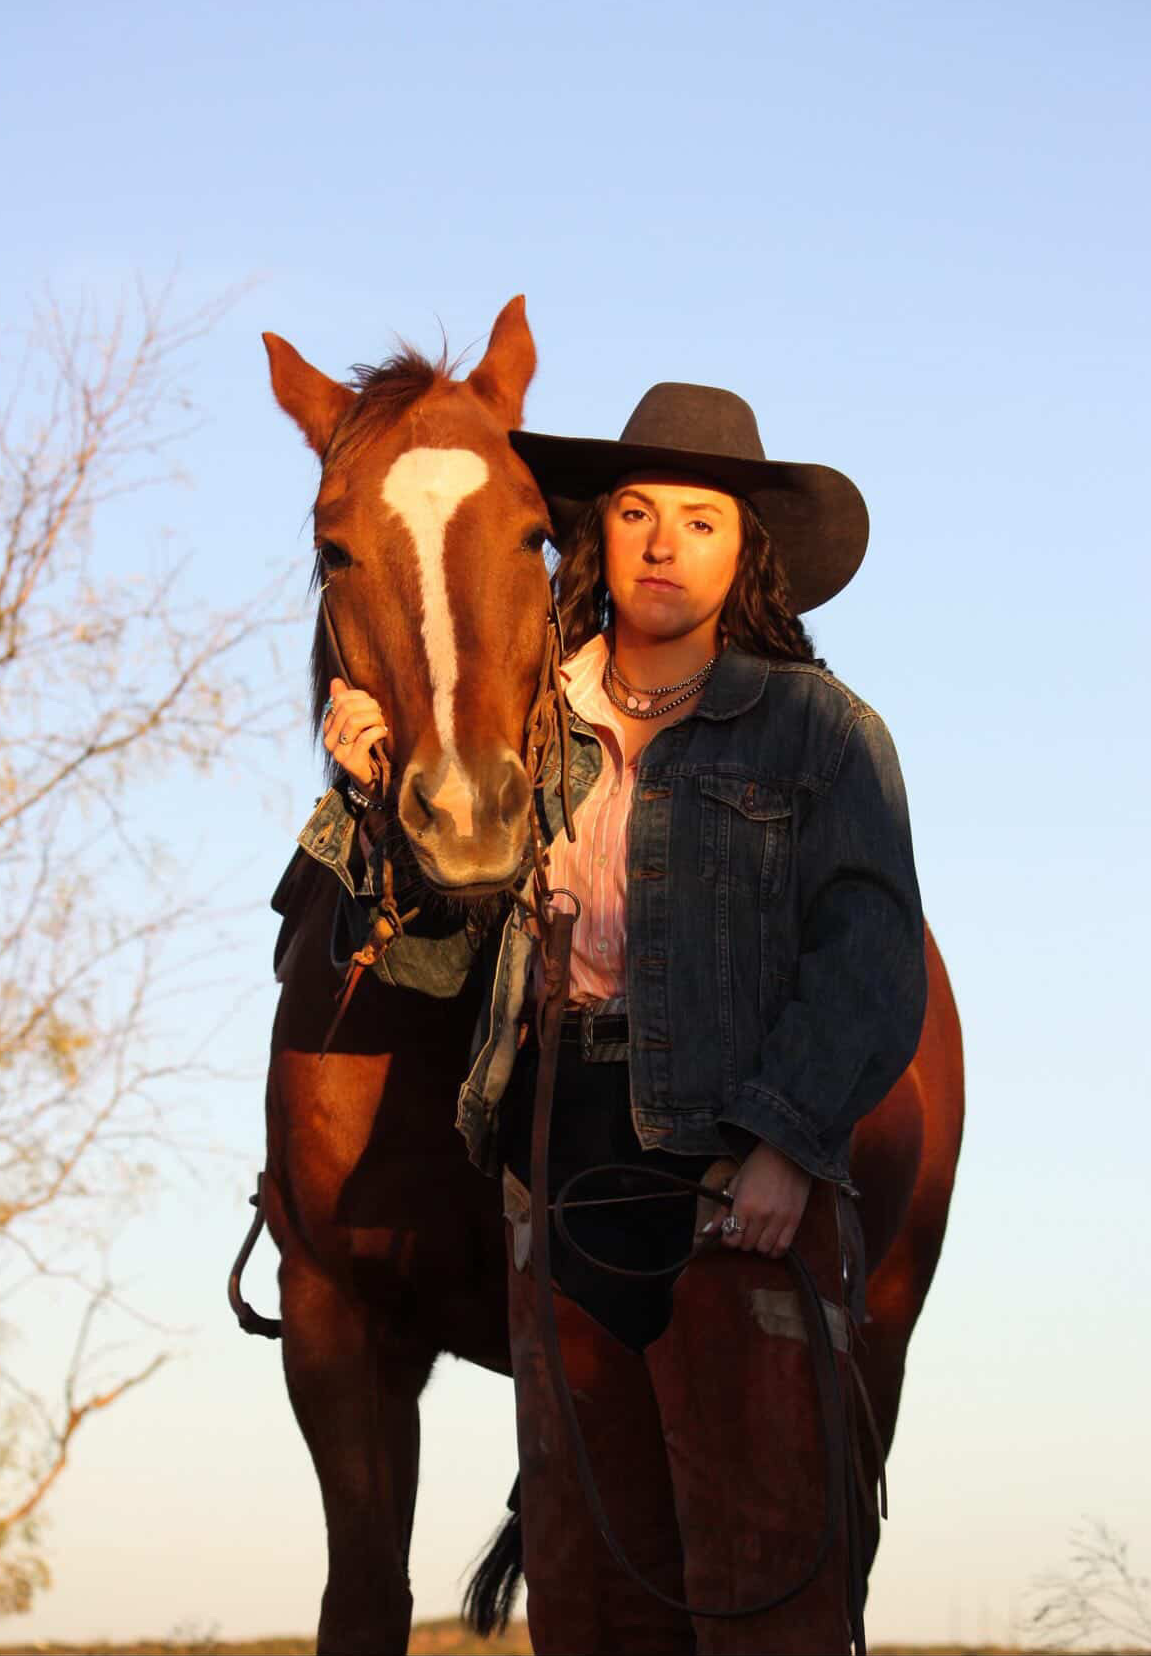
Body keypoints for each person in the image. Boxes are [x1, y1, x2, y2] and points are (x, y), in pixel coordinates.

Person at [312, 382, 926, 1655]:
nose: (662, 543)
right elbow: (428, 970)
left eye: (700, 519)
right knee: (592, 1596)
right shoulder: (531, 734)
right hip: (558, 1183)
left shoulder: (823, 732)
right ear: (598, 538)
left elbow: (871, 962)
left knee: (763, 1581)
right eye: (637, 512)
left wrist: (786, 1142)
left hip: (732, 1181)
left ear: (746, 547)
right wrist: (375, 792)